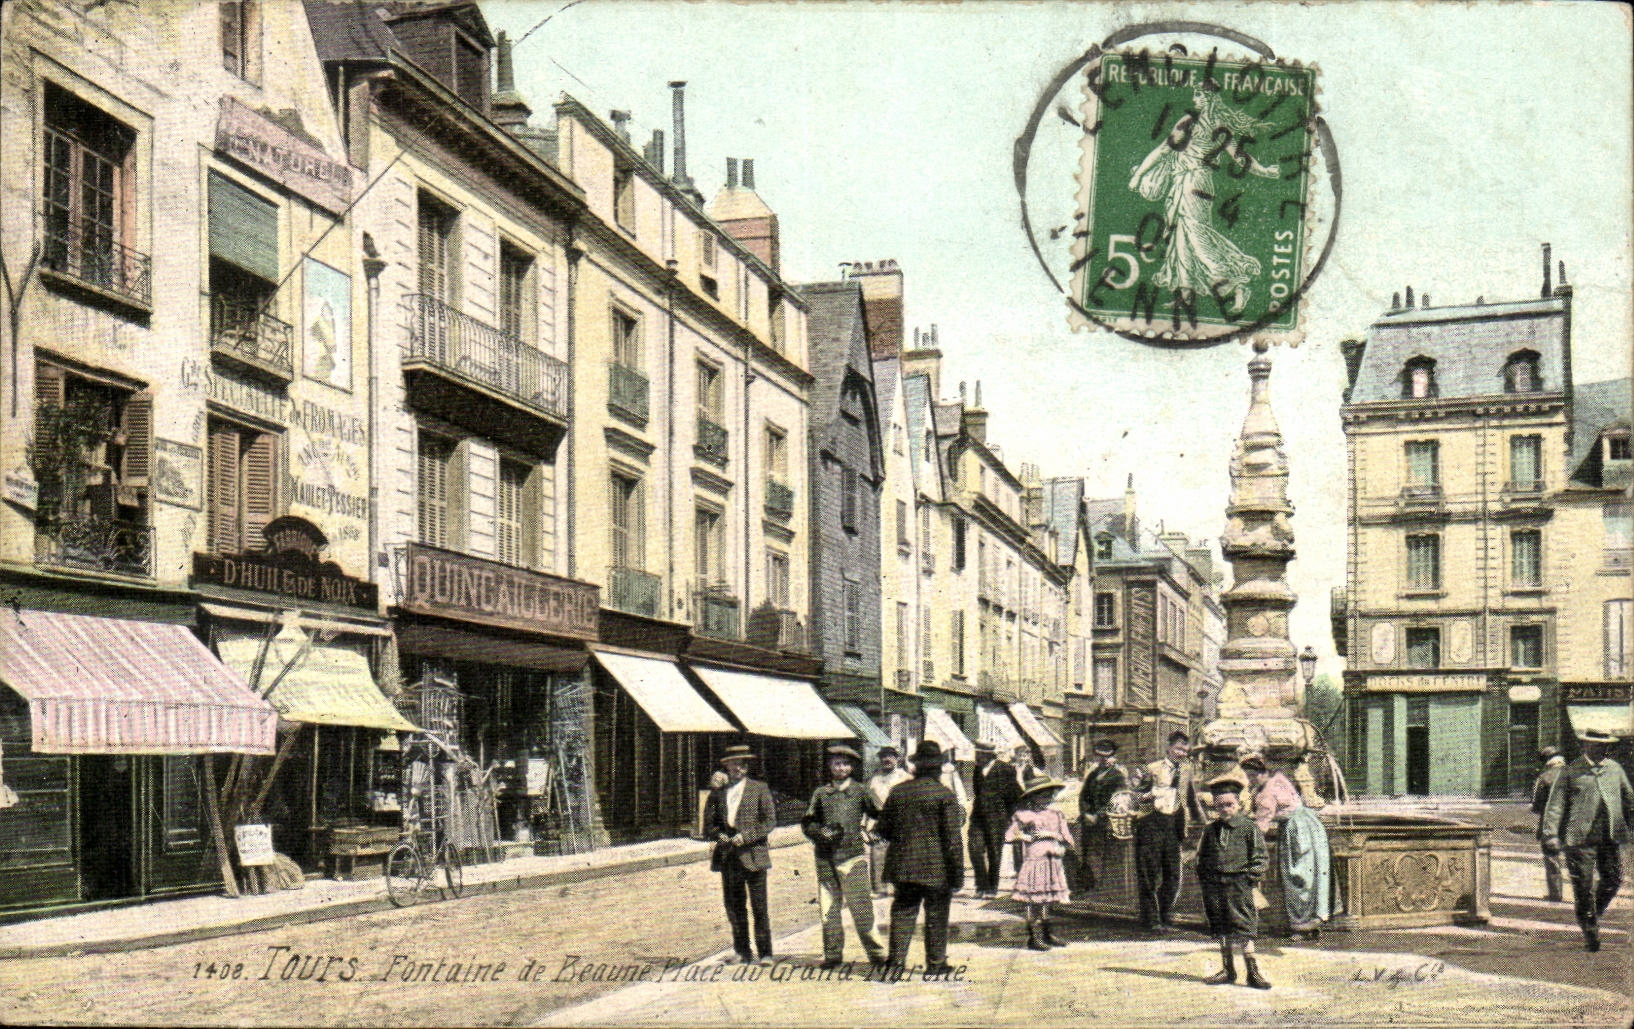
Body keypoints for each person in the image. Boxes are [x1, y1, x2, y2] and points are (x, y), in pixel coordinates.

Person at [1128, 85, 1280, 315]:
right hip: (1198, 184)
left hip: (1191, 183)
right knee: (1182, 237)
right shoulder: (1220, 126)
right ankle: (1185, 295)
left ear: (1209, 98)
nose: (1194, 98)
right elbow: (1240, 157)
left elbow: (1163, 150)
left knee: (1197, 239)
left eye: (1198, 94)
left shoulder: (1190, 121)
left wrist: (1139, 174)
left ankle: (1237, 286)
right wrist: (1265, 171)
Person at [876, 740, 966, 974]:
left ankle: (894, 965)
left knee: (903, 912)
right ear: (937, 769)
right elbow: (953, 841)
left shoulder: (898, 791)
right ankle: (935, 965)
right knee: (936, 914)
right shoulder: (944, 795)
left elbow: (883, 829)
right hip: (937, 869)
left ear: (915, 766)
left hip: (903, 866)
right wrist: (958, 874)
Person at [1541, 728, 1634, 952]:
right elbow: (1555, 806)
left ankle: (1592, 914)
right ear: (1586, 746)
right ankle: (1590, 929)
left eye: (1605, 745)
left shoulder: (1615, 769)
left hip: (1609, 837)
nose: (1603, 749)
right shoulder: (1570, 772)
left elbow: (1630, 799)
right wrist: (1551, 834)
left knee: (1613, 880)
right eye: (1597, 745)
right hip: (1578, 839)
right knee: (1583, 886)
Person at [802, 745, 888, 968]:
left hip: (853, 856)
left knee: (861, 908)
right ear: (829, 766)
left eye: (845, 764)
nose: (840, 768)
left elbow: (882, 814)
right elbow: (808, 822)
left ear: (852, 767)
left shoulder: (861, 791)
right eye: (836, 763)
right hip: (825, 858)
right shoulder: (820, 793)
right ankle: (832, 955)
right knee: (828, 910)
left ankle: (877, 955)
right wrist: (818, 832)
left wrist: (874, 831)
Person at [1241, 754, 1331, 939]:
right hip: (1311, 825)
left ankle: (1301, 926)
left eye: (1253, 775)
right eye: (1247, 776)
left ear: (1262, 772)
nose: (1250, 780)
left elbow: (1261, 827)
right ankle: (1312, 922)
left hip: (1296, 832)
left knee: (1296, 876)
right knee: (1311, 876)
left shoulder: (1266, 794)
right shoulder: (1279, 778)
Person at [703, 744, 778, 964]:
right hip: (729, 857)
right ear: (725, 767)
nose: (735, 769)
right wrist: (719, 836)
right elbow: (709, 823)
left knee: (759, 907)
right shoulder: (719, 792)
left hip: (754, 856)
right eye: (730, 764)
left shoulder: (759, 788)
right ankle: (742, 951)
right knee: (735, 907)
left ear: (746, 767)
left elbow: (770, 821)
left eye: (739, 765)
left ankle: (765, 953)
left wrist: (747, 836)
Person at [1197, 775, 1271, 989]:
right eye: (1220, 806)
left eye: (1229, 805)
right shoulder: (1211, 830)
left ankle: (1252, 972)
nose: (1225, 809)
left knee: (1244, 926)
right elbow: (1204, 857)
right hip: (1215, 885)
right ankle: (1228, 970)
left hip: (1239, 884)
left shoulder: (1249, 828)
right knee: (1221, 926)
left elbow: (1260, 858)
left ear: (1239, 804)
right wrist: (1206, 880)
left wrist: (1248, 879)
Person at [1134, 731, 1200, 931]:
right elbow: (1136, 795)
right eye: (1179, 749)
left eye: (1185, 751)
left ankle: (1163, 913)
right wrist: (1150, 795)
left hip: (1174, 825)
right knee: (1149, 874)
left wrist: (1203, 821)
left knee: (1172, 876)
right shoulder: (1151, 769)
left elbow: (1191, 797)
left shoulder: (1187, 770)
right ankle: (1151, 920)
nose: (1182, 754)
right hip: (1151, 824)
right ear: (1168, 748)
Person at [1006, 774, 1076, 950]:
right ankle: (1034, 937)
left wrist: (1052, 835)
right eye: (1042, 796)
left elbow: (1070, 841)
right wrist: (1026, 836)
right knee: (1033, 899)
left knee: (1046, 900)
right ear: (1032, 797)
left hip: (1052, 860)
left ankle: (1047, 933)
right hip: (1034, 860)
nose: (1047, 799)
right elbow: (1009, 835)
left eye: (1050, 795)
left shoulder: (1057, 815)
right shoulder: (1024, 815)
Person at [969, 744, 1023, 899]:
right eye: (976, 753)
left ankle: (992, 888)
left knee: (994, 852)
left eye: (979, 754)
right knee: (975, 849)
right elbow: (977, 792)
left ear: (989, 755)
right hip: (978, 817)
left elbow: (1015, 794)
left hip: (997, 818)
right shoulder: (977, 769)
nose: (976, 757)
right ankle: (981, 885)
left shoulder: (1005, 769)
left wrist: (1010, 817)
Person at [1077, 739, 1128, 891]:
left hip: (1106, 823)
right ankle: (1087, 887)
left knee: (1102, 855)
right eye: (1101, 757)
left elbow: (1116, 801)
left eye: (1108, 757)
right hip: (1089, 823)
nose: (1104, 760)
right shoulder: (1093, 775)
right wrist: (1086, 814)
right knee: (1087, 853)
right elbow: (1083, 796)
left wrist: (1097, 816)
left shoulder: (1118, 777)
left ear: (1114, 758)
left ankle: (1101, 889)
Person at [867, 747, 912, 897]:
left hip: (901, 817)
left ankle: (901, 887)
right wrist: (865, 823)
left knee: (901, 853)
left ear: (897, 759)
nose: (886, 760)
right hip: (880, 818)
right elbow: (868, 802)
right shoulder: (874, 778)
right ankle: (880, 889)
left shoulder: (904, 777)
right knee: (878, 852)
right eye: (883, 757)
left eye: (890, 756)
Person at [1530, 746, 1568, 903]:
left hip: (1550, 824)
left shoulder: (1544, 777)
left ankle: (1556, 893)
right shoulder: (1575, 774)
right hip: (1574, 823)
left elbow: (1537, 805)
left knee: (1552, 857)